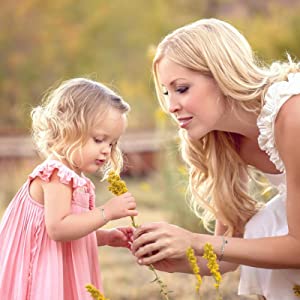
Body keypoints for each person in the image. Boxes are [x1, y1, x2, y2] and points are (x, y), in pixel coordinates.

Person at [131, 18, 300, 300]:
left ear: (222, 75)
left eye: (182, 88)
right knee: (262, 226)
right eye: (165, 92)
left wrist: (195, 240)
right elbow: (228, 254)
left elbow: (297, 248)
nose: (171, 106)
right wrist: (174, 257)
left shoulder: (292, 115)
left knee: (269, 224)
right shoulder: (224, 140)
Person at [0, 78, 138, 299]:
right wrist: (107, 212)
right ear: (68, 129)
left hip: (58, 266)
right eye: (99, 139)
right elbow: (58, 229)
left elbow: (72, 232)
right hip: (43, 274)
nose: (106, 150)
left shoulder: (73, 177)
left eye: (112, 143)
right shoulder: (56, 175)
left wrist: (105, 237)